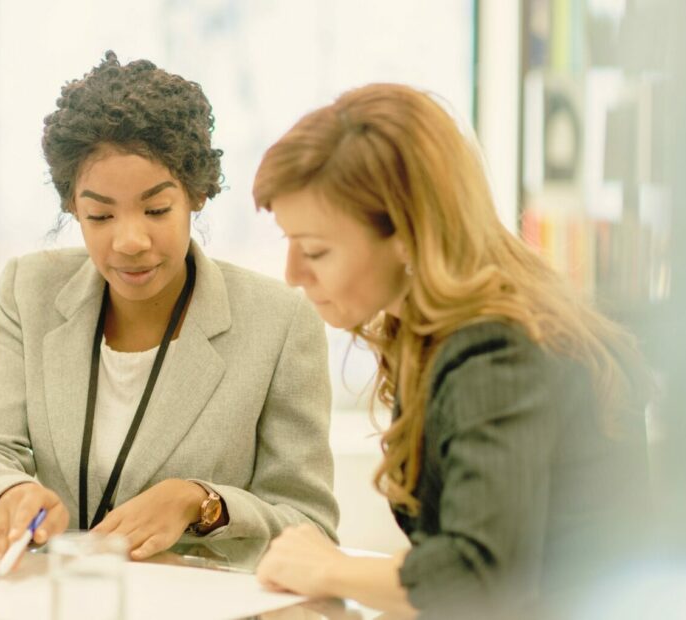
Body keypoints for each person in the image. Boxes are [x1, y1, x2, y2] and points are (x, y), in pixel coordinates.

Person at [252, 83, 652, 617]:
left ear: (407, 234)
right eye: (289, 245)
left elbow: (482, 574)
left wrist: (328, 567)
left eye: (316, 251)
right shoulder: (431, 333)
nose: (293, 276)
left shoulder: (495, 352)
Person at [0, 51, 338, 571]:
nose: (129, 240)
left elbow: (311, 525)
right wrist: (7, 492)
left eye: (157, 210)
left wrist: (202, 502)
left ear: (197, 194)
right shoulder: (31, 289)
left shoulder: (279, 323)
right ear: (72, 207)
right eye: (99, 215)